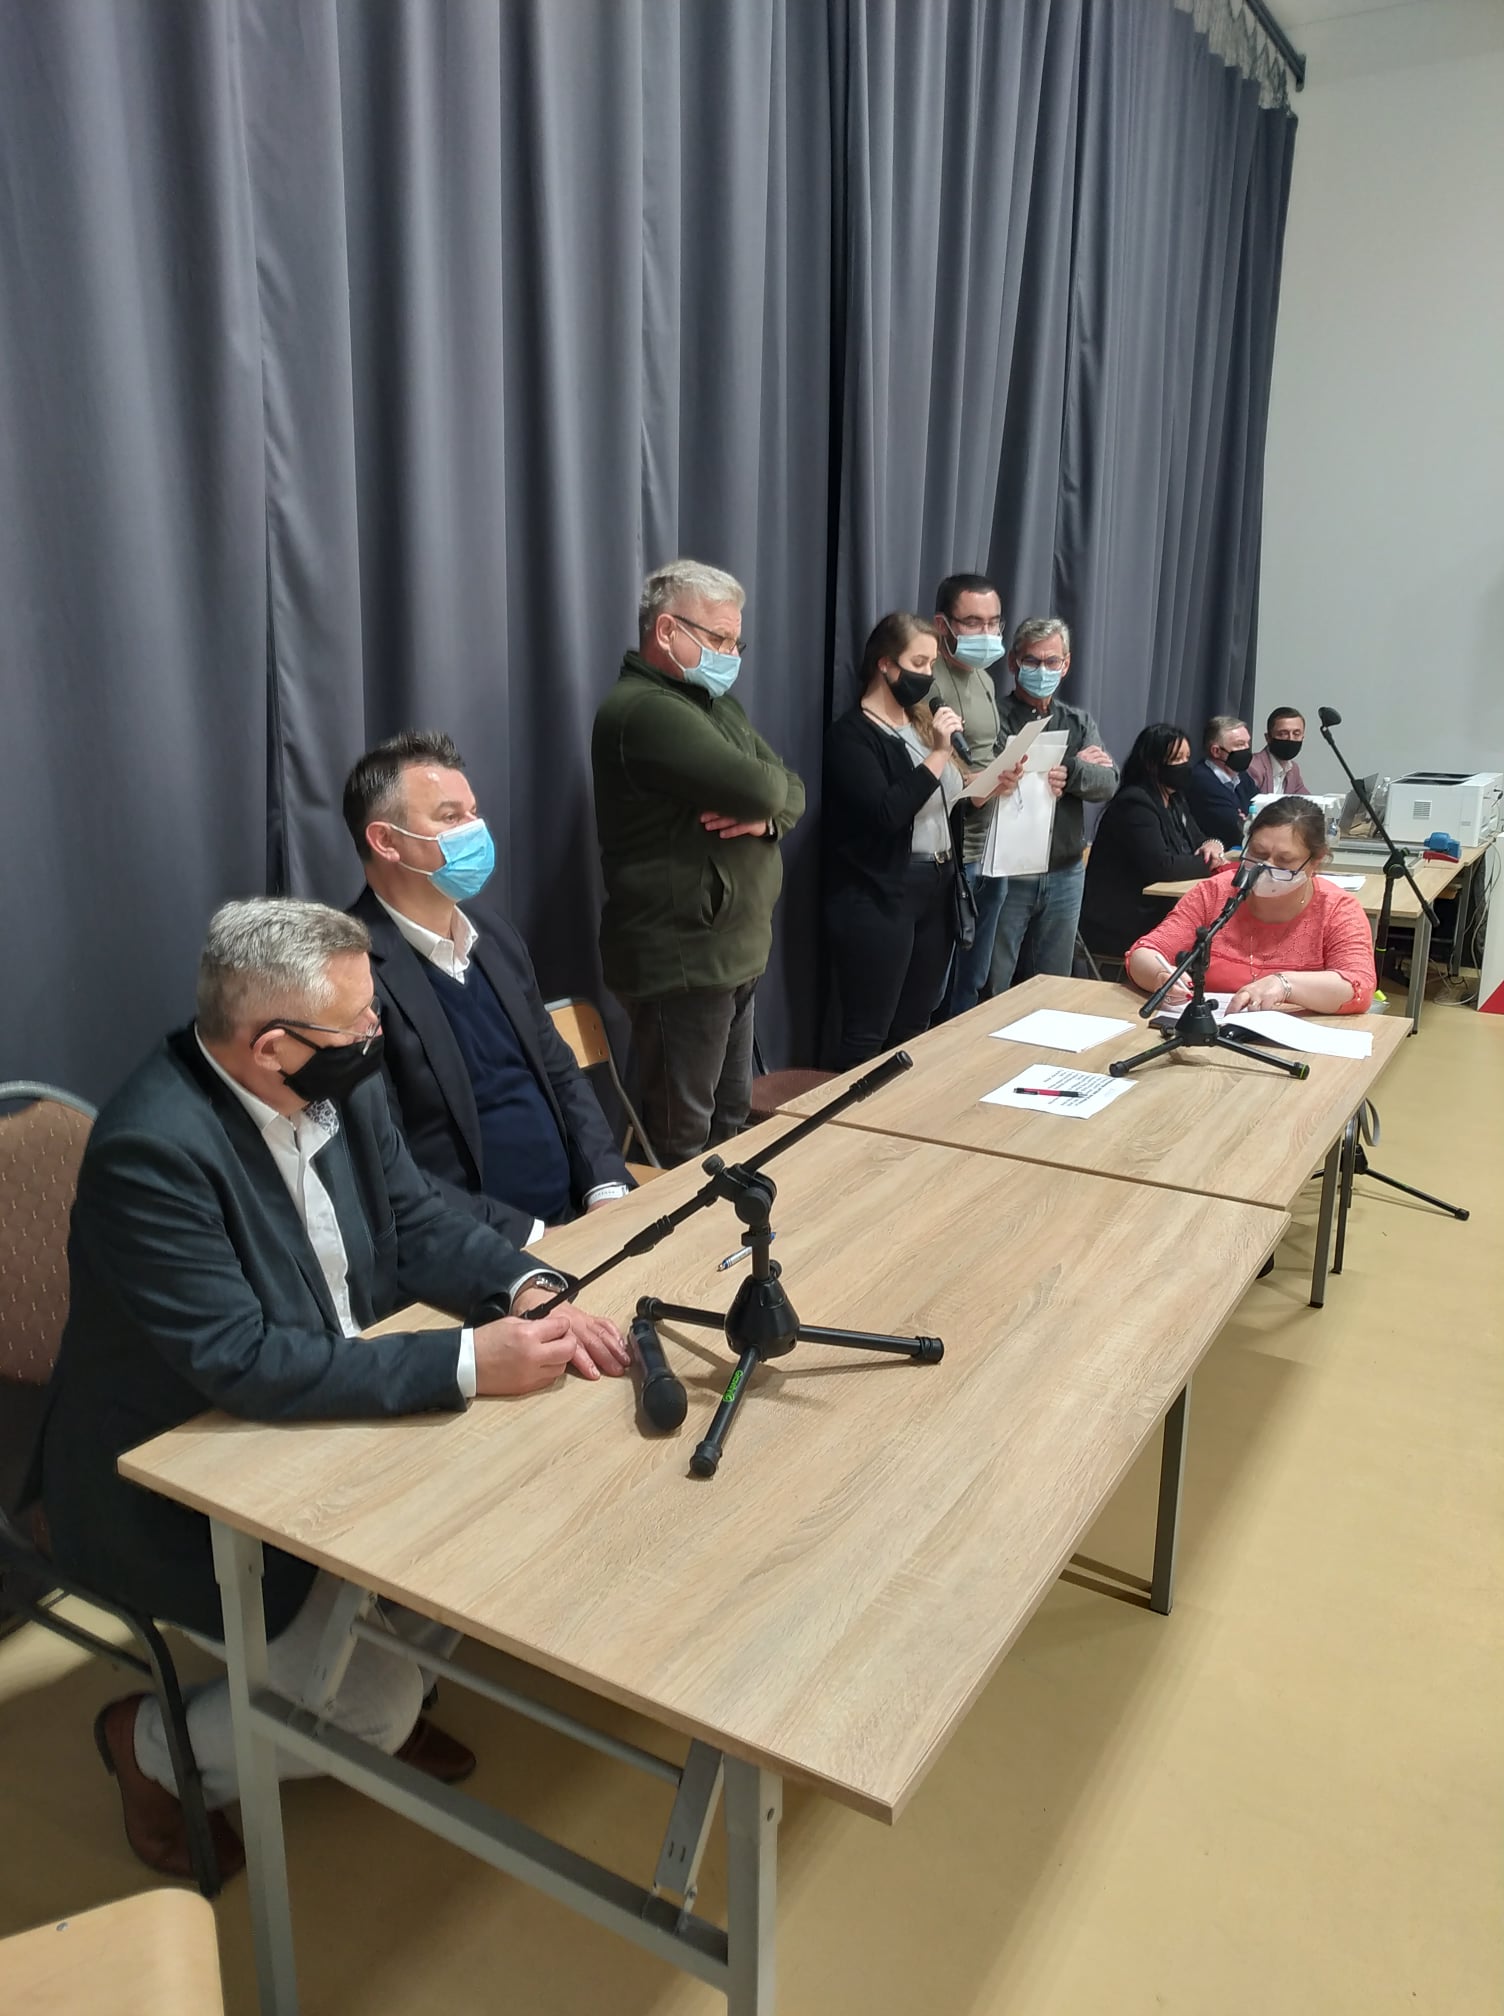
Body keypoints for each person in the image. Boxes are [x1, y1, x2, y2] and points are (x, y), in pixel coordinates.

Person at [35, 899, 628, 1879]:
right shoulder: (153, 1152)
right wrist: (469, 1360)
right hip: (187, 1465)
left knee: (497, 1528)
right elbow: (242, 1362)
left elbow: (415, 1218)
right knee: (369, 1709)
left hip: (334, 1399)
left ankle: (377, 1673)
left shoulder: (336, 1078)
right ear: (271, 1047)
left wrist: (523, 1282)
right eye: (356, 1024)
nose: (375, 1034)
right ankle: (147, 1745)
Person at [344, 730, 631, 1245]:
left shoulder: (495, 935)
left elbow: (560, 1072)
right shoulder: (350, 976)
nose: (475, 830)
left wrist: (605, 1186)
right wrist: (532, 1235)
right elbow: (387, 1166)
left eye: (473, 812)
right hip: (481, 1248)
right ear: (386, 841)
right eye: (450, 817)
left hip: (582, 1214)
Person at [592, 559, 805, 1166]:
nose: (731, 655)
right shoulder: (646, 710)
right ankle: (671, 1232)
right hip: (683, 959)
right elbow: (767, 787)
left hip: (733, 951)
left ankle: (719, 1222)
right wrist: (769, 802)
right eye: (719, 639)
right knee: (682, 1139)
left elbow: (791, 790)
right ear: (667, 631)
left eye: (737, 642)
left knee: (729, 1121)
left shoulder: (715, 705)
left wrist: (769, 818)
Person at [823, 612, 965, 1066]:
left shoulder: (922, 722)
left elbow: (945, 792)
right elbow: (888, 812)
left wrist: (988, 783)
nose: (927, 675)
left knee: (914, 1024)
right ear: (885, 664)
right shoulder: (853, 735)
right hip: (882, 890)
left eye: (932, 665)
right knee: (869, 1030)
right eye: (918, 663)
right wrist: (939, 754)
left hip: (938, 882)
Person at [1125, 797, 1377, 1014]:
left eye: (1284, 860)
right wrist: (1160, 976)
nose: (1266, 867)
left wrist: (1285, 985)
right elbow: (1144, 952)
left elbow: (1359, 986)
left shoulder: (1337, 909)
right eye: (1258, 853)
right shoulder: (1215, 892)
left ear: (1315, 862)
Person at [989, 617, 1118, 992]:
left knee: (1053, 982)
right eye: (1032, 661)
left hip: (1065, 870)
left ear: (1066, 664)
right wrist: (1068, 764)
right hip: (1006, 872)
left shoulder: (1077, 721)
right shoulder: (995, 716)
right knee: (994, 980)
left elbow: (1108, 782)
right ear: (1013, 662)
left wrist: (1072, 770)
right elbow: (998, 772)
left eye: (1051, 661)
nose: (1042, 670)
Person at [929, 571, 1021, 1017]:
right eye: (972, 622)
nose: (986, 633)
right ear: (942, 625)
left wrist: (1012, 769)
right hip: (950, 850)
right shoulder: (927, 676)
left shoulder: (984, 677)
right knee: (937, 983)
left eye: (994, 622)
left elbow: (987, 751)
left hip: (991, 846)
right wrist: (973, 785)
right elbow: (924, 754)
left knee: (974, 979)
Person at [1079, 724, 1225, 958]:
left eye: (1187, 758)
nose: (1184, 765)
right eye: (1176, 759)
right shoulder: (1135, 804)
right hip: (1125, 918)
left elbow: (1200, 839)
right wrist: (1210, 862)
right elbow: (1162, 867)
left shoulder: (1174, 799)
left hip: (1155, 909)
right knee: (1204, 933)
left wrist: (1213, 845)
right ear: (1152, 763)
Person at [1185, 713, 1257, 848]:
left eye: (1248, 743)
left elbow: (1263, 810)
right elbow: (1236, 829)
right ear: (1216, 751)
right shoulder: (1201, 781)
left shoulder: (1241, 775)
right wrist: (1248, 819)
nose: (1247, 749)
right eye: (1240, 744)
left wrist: (1249, 818)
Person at [1248, 707, 1311, 798]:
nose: (1290, 739)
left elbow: (1307, 801)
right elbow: (1247, 803)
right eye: (1283, 734)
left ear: (1302, 737)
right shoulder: (1253, 767)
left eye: (1296, 734)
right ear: (1268, 738)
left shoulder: (1293, 769)